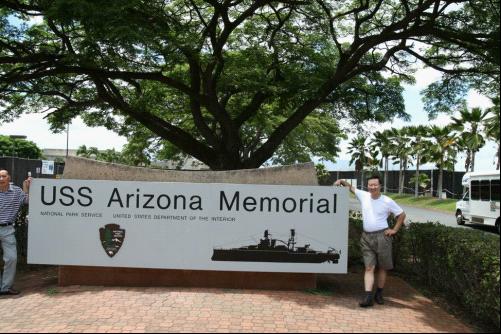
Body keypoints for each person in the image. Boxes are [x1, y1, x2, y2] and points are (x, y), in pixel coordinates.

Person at [334, 175, 406, 307]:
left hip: (382, 237)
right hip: (366, 237)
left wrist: (394, 230)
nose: (372, 187)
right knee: (369, 267)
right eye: (370, 185)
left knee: (383, 267)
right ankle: (368, 297)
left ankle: (379, 292)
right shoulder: (364, 195)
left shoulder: (387, 201)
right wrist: (341, 181)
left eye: (375, 185)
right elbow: (351, 188)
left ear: (380, 186)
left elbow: (401, 214)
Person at [0, 169, 32, 296]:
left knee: (11, 258)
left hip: (7, 229)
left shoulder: (17, 191)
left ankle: (5, 287)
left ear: (9, 178)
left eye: (3, 176)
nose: (1, 179)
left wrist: (28, 186)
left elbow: (28, 201)